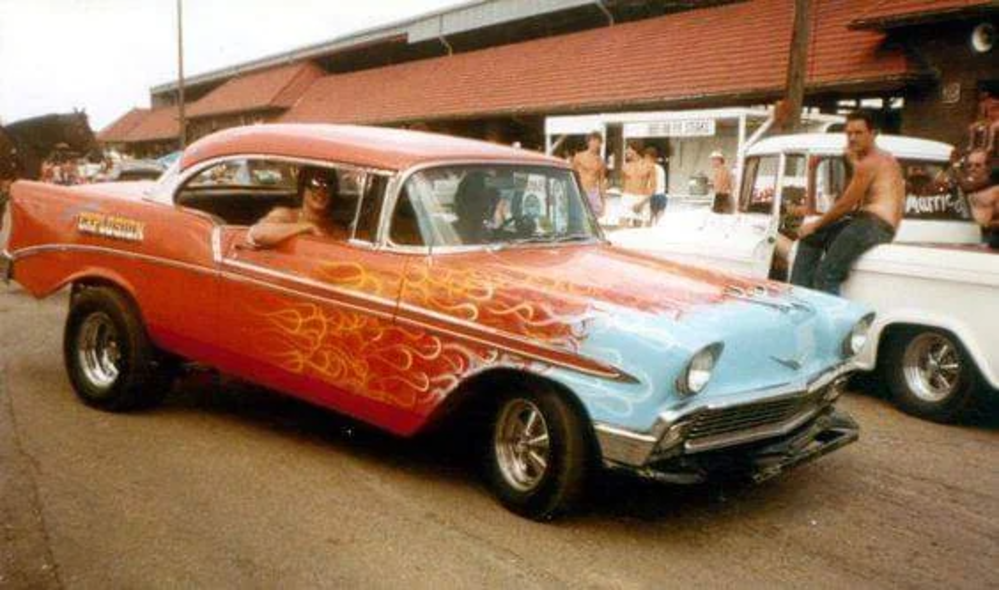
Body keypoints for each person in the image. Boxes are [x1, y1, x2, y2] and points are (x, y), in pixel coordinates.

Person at [791, 111, 905, 295]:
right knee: (811, 239)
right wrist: (853, 162)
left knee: (827, 275)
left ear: (873, 133)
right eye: (848, 133)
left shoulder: (870, 162)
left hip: (873, 225)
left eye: (858, 133)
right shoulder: (884, 158)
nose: (852, 138)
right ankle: (800, 297)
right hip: (871, 223)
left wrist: (815, 225)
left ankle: (835, 321)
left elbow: (846, 205)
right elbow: (858, 196)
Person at [247, 167, 348, 248]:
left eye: (328, 184)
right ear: (302, 188)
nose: (321, 191)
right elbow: (258, 233)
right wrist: (308, 227)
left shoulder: (336, 229)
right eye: (314, 184)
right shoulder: (287, 215)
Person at [961, 148, 999, 249]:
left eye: (978, 165)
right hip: (962, 238)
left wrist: (988, 225)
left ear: (988, 167)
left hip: (989, 241)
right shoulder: (959, 186)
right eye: (969, 165)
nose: (972, 168)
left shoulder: (995, 189)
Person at [572, 132, 607, 218]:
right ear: (588, 142)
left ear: (600, 144)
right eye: (593, 141)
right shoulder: (579, 156)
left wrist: (603, 202)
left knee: (594, 218)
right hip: (580, 190)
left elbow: (601, 182)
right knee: (579, 217)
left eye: (598, 142)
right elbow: (572, 174)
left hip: (593, 192)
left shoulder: (600, 161)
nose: (595, 144)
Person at [620, 142, 654, 225]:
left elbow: (653, 188)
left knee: (637, 230)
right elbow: (623, 184)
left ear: (635, 151)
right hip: (627, 197)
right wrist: (624, 196)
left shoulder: (649, 166)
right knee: (622, 226)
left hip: (641, 198)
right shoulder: (625, 166)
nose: (626, 152)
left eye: (628, 150)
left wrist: (642, 203)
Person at [634, 147, 668, 225]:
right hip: (662, 196)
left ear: (648, 157)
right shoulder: (660, 168)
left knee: (648, 221)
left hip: (652, 196)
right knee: (658, 223)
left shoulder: (649, 168)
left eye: (645, 157)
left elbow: (648, 184)